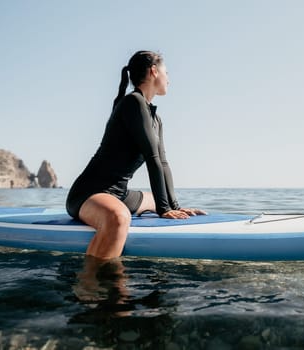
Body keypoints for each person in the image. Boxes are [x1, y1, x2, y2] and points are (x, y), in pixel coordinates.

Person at [66, 50, 206, 260]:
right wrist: (163, 209)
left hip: (120, 194)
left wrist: (173, 206)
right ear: (153, 72)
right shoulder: (132, 102)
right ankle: (92, 286)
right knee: (119, 218)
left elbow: (163, 163)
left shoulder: (155, 118)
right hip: (90, 193)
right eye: (166, 72)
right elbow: (153, 159)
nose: (169, 78)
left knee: (151, 199)